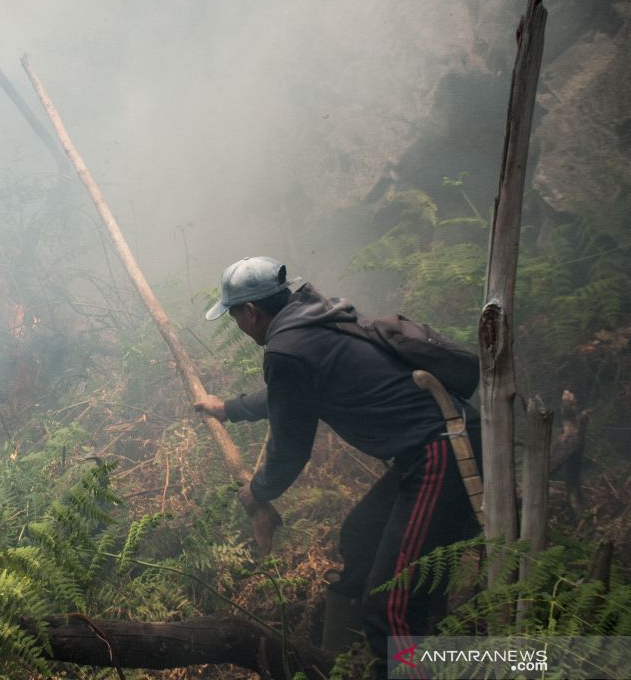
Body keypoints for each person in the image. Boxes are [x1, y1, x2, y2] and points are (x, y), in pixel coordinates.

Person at [195, 256, 481, 676]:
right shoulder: (311, 316)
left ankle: (404, 660)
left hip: (443, 452)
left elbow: (291, 449)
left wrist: (257, 493)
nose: (237, 325)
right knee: (360, 539)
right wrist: (229, 409)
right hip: (434, 446)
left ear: (251, 312)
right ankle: (344, 663)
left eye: (235, 316)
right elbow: (287, 392)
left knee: (390, 612)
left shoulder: (288, 348)